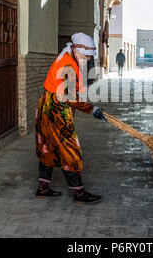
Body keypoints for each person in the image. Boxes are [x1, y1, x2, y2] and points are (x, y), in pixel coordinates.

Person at [35, 33, 106, 204]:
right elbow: (71, 98)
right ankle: (79, 193)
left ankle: (43, 188)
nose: (88, 58)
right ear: (76, 49)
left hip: (47, 106)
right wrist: (92, 108)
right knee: (71, 149)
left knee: (48, 147)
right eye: (86, 55)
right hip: (56, 110)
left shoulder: (68, 58)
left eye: (90, 56)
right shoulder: (68, 65)